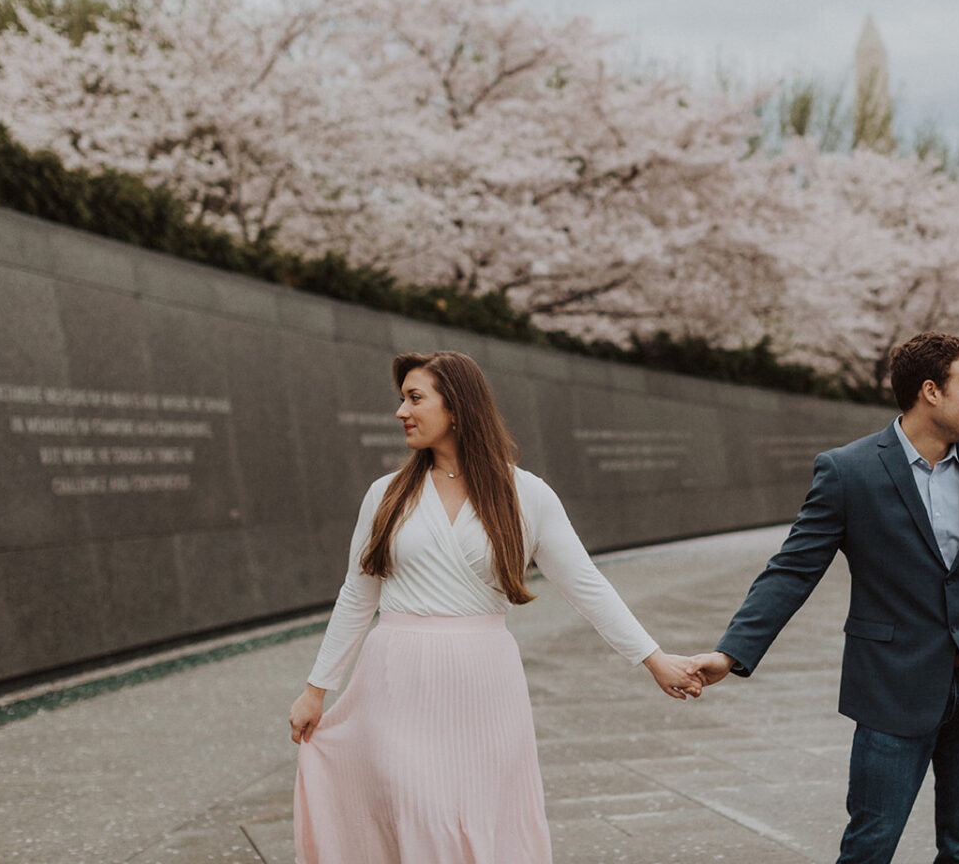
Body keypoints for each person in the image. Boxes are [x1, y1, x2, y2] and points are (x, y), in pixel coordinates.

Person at [289, 351, 702, 863]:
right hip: (395, 678)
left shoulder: (526, 494)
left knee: (483, 813)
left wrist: (652, 658)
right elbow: (357, 593)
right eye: (402, 399)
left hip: (484, 680)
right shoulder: (386, 494)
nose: (401, 411)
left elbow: (586, 585)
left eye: (415, 398)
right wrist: (316, 689)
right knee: (419, 809)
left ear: (457, 406)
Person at [688, 332, 959, 864]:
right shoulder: (847, 471)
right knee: (868, 849)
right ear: (931, 392)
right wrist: (731, 652)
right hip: (893, 686)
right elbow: (792, 570)